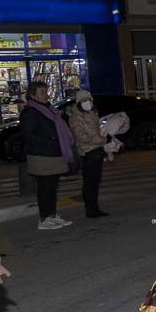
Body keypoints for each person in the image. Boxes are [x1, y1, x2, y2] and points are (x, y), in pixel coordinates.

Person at [19, 80, 75, 230]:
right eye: (42, 92)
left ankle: (52, 215)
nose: (46, 95)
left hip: (54, 154)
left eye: (46, 91)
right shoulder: (30, 111)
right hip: (41, 156)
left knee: (52, 188)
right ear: (33, 95)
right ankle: (44, 219)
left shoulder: (49, 109)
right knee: (45, 188)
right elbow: (29, 135)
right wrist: (52, 141)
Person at [68, 89, 108, 218]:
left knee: (95, 182)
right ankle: (91, 209)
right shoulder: (76, 117)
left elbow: (97, 130)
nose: (88, 103)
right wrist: (99, 139)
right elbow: (81, 136)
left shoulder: (92, 113)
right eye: (84, 101)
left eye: (89, 100)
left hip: (96, 150)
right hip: (87, 152)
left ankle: (94, 207)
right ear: (79, 102)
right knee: (90, 182)